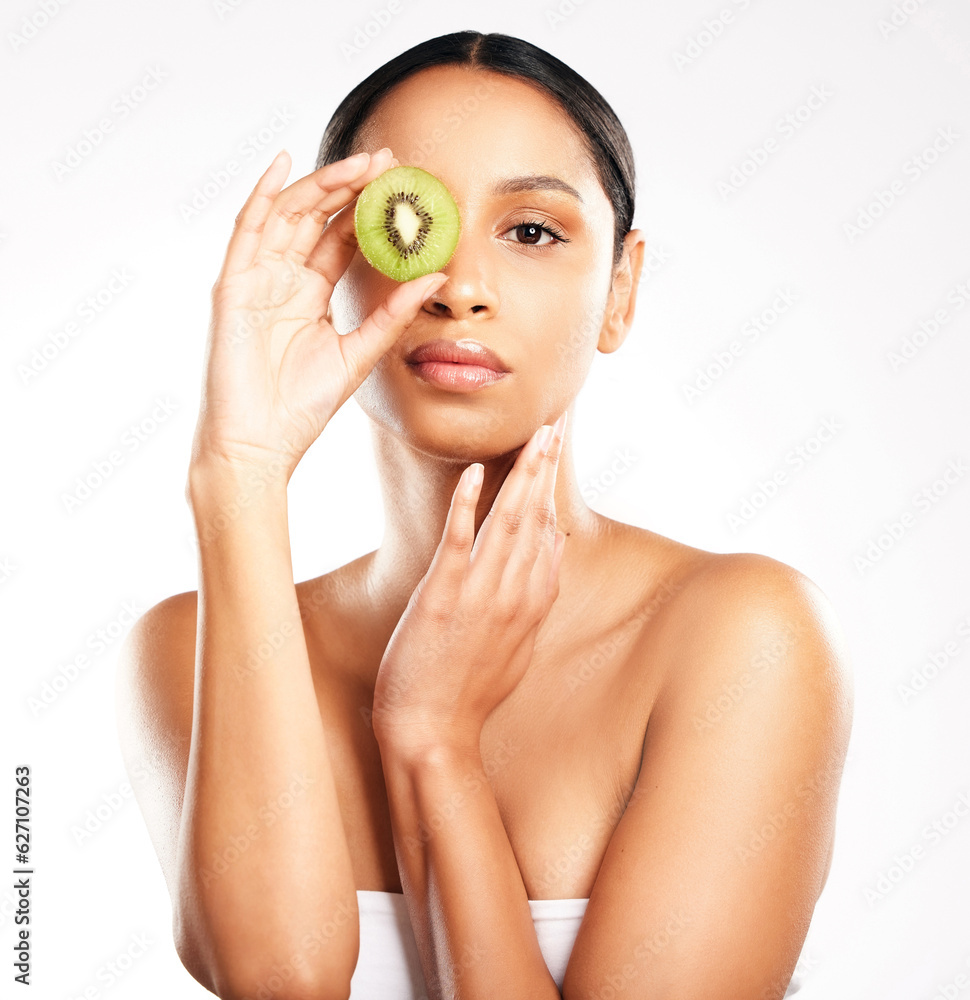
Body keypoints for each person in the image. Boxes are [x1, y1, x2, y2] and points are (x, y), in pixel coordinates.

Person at [116, 29, 853, 1000]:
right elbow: (280, 977)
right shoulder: (188, 646)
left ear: (619, 292)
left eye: (531, 231)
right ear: (335, 263)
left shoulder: (745, 634)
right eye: (412, 218)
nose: (459, 289)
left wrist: (431, 740)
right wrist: (238, 474)